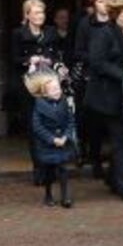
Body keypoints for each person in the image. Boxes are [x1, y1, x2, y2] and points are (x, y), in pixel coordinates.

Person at [85, 0, 123, 202]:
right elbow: (97, 62)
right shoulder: (104, 34)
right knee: (120, 140)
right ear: (115, 16)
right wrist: (122, 73)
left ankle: (114, 178)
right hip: (108, 96)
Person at [11, 0, 62, 186]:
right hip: (29, 86)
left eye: (42, 12)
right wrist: (29, 60)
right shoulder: (18, 34)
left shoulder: (51, 32)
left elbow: (58, 54)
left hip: (49, 84)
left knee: (51, 123)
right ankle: (39, 168)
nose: (41, 16)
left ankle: (53, 166)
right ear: (27, 15)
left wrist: (50, 60)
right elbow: (13, 59)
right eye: (37, 12)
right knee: (35, 127)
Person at [73, 0, 113, 178]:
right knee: (94, 122)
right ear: (94, 4)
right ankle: (95, 160)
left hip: (113, 76)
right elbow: (78, 52)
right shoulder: (85, 24)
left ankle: (118, 163)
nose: (105, 5)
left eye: (107, 1)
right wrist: (96, 59)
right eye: (101, 1)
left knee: (114, 123)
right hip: (93, 78)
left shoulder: (115, 21)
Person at [27, 69, 76, 208]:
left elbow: (70, 121)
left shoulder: (64, 102)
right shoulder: (39, 105)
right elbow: (37, 127)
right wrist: (51, 139)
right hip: (47, 144)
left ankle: (65, 196)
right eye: (53, 90)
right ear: (45, 93)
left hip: (62, 141)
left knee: (63, 169)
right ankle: (48, 194)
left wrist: (66, 136)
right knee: (48, 171)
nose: (57, 91)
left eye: (58, 88)